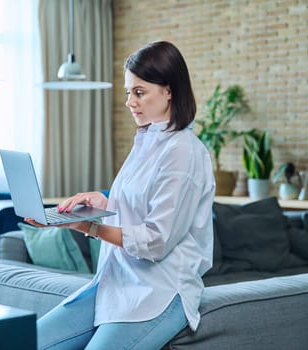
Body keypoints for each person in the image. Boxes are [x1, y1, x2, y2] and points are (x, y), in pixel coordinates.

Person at [25, 41, 215, 350]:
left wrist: (88, 227)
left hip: (158, 292)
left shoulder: (183, 151)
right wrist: (105, 204)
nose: (130, 102)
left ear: (169, 91)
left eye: (139, 92)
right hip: (115, 282)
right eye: (128, 92)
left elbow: (156, 240)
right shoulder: (146, 140)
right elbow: (140, 204)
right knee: (24, 342)